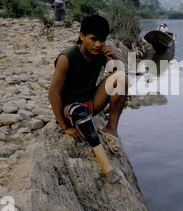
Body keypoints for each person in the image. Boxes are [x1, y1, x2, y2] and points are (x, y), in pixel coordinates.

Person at [49, 15, 128, 154]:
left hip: (91, 104)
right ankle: (81, 120)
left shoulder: (100, 53)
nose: (98, 44)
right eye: (93, 39)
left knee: (122, 77)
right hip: (72, 110)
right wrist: (65, 127)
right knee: (79, 111)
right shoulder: (66, 57)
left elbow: (118, 78)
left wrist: (115, 57)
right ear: (82, 36)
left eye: (102, 40)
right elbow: (53, 93)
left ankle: (111, 128)